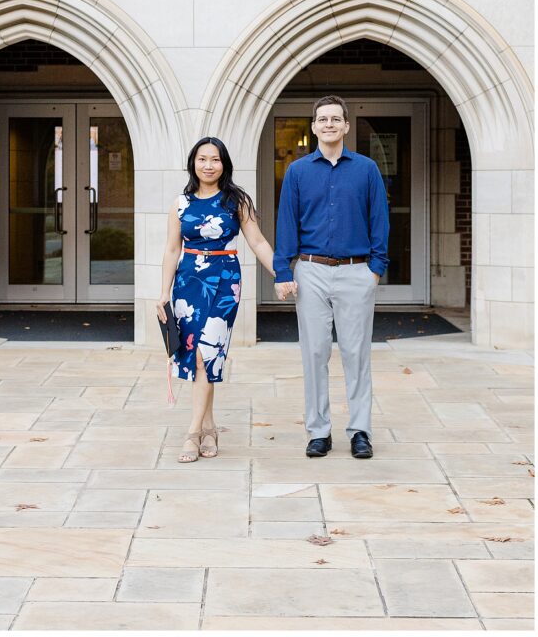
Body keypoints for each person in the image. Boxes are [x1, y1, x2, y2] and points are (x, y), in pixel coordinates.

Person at [274, 95, 389, 460]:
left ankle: (360, 431)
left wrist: (376, 269)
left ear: (346, 126)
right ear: (313, 126)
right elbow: (287, 223)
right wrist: (283, 270)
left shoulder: (366, 169)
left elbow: (379, 219)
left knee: (356, 354)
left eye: (335, 119)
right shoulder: (297, 171)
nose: (328, 125)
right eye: (322, 119)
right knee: (314, 352)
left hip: (357, 271)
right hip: (311, 271)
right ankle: (318, 431)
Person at [157, 137, 276, 463]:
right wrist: (163, 293)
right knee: (195, 356)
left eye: (215, 159)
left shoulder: (236, 201)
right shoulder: (181, 203)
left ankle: (192, 432)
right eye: (202, 159)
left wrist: (281, 273)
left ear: (224, 164)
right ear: (193, 163)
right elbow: (171, 249)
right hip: (187, 285)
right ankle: (209, 426)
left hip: (224, 283)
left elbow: (258, 241)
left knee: (206, 354)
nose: (208, 165)